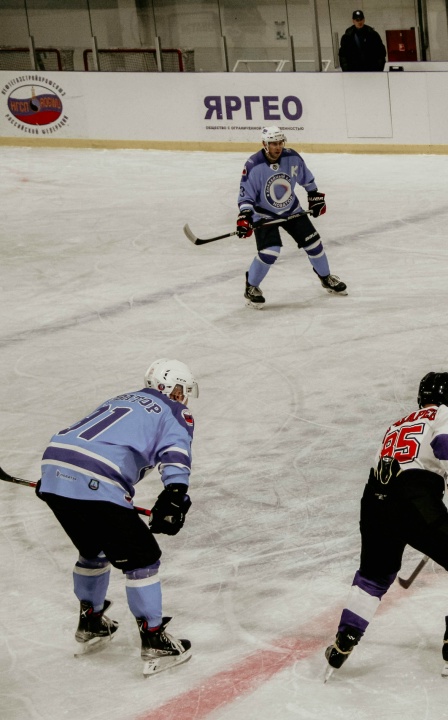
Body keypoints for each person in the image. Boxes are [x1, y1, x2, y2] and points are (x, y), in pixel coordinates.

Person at [324, 373, 448, 679]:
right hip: (412, 500)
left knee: (374, 576)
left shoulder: (398, 423)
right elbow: (446, 442)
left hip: (374, 500)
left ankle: (345, 639)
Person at [36, 359, 198, 676]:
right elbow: (175, 451)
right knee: (143, 559)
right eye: (184, 389)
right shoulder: (175, 410)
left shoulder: (121, 398)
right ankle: (155, 641)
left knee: (94, 550)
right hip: (97, 477)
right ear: (174, 388)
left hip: (54, 465)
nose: (185, 397)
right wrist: (176, 493)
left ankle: (92, 622)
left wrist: (58, 476)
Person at [237, 126, 347, 307]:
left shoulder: (292, 157)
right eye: (273, 143)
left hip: (292, 209)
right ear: (265, 144)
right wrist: (245, 217)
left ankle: (326, 278)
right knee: (269, 252)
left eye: (280, 142)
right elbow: (245, 195)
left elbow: (306, 178)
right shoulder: (253, 165)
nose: (278, 147)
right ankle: (251, 286)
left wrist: (314, 196)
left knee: (314, 243)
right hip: (263, 214)